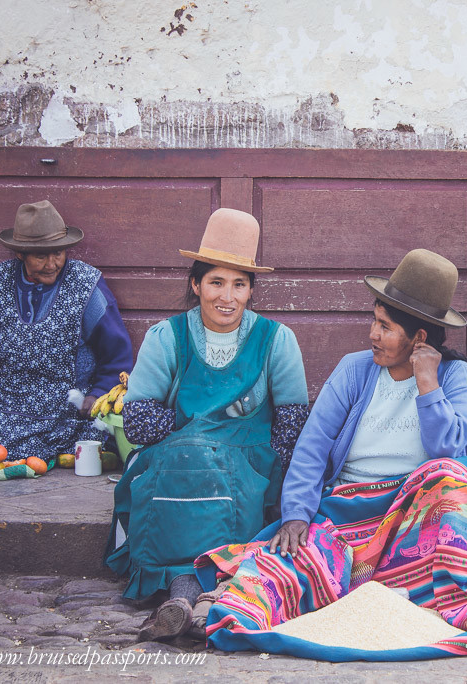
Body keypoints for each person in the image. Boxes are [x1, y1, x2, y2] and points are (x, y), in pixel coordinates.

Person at [191, 249, 467, 656]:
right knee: (292, 564)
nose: (372, 334)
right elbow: (312, 447)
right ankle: (217, 608)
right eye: (374, 320)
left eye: (385, 326)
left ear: (419, 338)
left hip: (412, 521)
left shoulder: (456, 377)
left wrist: (427, 384)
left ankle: (430, 594)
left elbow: (451, 453)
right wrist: (296, 514)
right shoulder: (355, 370)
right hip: (347, 515)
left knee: (451, 481)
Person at [105, 208, 309, 641]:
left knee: (218, 486)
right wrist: (192, 430)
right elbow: (138, 420)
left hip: (250, 465)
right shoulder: (167, 336)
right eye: (216, 282)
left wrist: (288, 495)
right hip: (177, 461)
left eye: (239, 284)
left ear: (252, 290)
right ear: (196, 284)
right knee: (187, 463)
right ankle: (194, 601)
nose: (227, 297)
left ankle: (186, 600)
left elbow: (291, 427)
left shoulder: (277, 340)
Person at [0, 201, 132, 461]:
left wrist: (98, 394)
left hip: (60, 412)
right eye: (41, 256)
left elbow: (116, 354)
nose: (52, 263)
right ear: (20, 254)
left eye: (59, 253)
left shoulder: (85, 285)